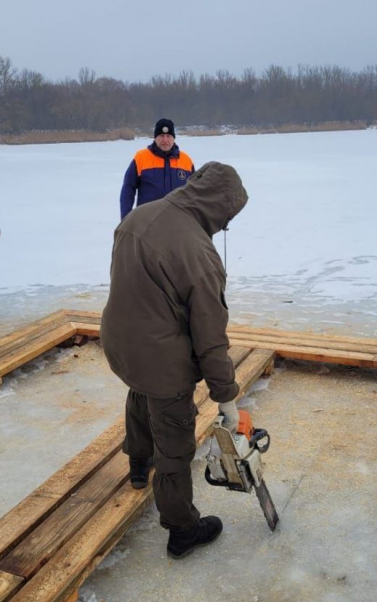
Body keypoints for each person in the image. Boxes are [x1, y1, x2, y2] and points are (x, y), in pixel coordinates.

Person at [101, 161, 249, 559]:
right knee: (175, 444)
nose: (225, 225)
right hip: (159, 358)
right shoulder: (199, 254)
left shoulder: (139, 215)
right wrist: (227, 398)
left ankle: (137, 462)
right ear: (220, 205)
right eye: (228, 217)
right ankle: (182, 529)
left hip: (120, 341)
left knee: (140, 390)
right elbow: (211, 338)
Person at [119, 118, 195, 220]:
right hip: (147, 223)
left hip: (178, 224)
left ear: (173, 138)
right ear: (155, 138)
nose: (165, 140)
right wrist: (126, 219)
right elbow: (128, 190)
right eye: (161, 136)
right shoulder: (141, 158)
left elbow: (195, 194)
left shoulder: (186, 161)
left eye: (168, 136)